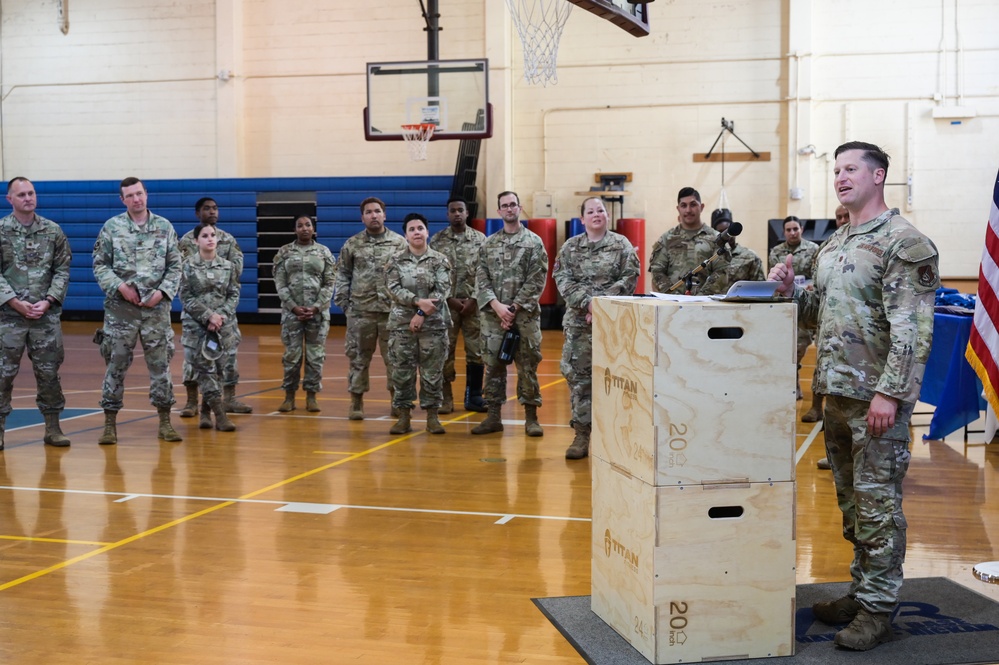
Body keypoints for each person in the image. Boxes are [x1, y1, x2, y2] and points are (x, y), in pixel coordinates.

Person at [768, 141, 939, 651]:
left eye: (850, 169)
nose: (840, 177)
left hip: (876, 401)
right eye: (836, 170)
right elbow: (820, 308)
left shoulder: (904, 243)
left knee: (878, 503)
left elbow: (913, 330)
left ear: (879, 175)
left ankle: (880, 609)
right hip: (836, 393)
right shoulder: (837, 241)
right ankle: (863, 591)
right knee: (851, 502)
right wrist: (787, 290)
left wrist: (890, 393)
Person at [92, 177, 183, 444]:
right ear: (123, 200)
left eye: (139, 193)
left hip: (156, 312)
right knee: (116, 366)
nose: (136, 199)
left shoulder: (164, 227)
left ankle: (165, 422)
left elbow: (176, 266)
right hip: (121, 312)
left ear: (147, 194)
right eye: (130, 196)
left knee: (160, 366)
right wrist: (120, 287)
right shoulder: (112, 228)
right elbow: (99, 265)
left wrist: (162, 292)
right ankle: (110, 424)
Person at [553, 197, 640, 459]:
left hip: (614, 325)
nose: (596, 214)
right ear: (582, 219)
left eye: (600, 210)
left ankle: (616, 438)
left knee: (617, 379)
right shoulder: (570, 248)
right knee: (580, 381)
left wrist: (600, 305)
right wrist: (587, 304)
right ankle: (581, 434)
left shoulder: (621, 244)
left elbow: (630, 277)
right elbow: (562, 279)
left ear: (607, 215)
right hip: (580, 325)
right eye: (590, 211)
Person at [0, 177, 72, 450]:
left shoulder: (53, 231)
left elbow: (62, 270)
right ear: (10, 199)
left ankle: (53, 428)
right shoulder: (1, 230)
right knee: (3, 374)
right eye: (21, 194)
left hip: (45, 318)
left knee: (49, 373)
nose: (28, 198)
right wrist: (14, 302)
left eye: (31, 193)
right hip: (9, 319)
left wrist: (49, 300)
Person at [471, 191, 548, 437]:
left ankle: (531, 418)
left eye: (513, 204)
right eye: (504, 205)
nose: (509, 209)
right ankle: (493, 417)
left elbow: (537, 279)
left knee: (527, 366)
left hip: (524, 317)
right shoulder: (488, 244)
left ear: (520, 208)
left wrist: (513, 308)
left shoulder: (534, 242)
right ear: (499, 211)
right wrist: (497, 307)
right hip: (494, 318)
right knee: (493, 367)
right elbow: (480, 279)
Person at [334, 197, 408, 420]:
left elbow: (408, 275)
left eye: (377, 211)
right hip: (361, 313)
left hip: (392, 313)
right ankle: (356, 403)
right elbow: (343, 274)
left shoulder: (399, 243)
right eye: (369, 212)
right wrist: (345, 305)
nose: (373, 215)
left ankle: (397, 402)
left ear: (385, 215)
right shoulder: (352, 244)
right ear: (362, 217)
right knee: (358, 359)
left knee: (395, 359)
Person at [177, 197, 252, 417]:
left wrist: (220, 312)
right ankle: (192, 402)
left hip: (223, 312)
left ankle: (228, 399)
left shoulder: (227, 239)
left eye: (215, 208)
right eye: (207, 209)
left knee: (228, 357)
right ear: (197, 213)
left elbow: (236, 270)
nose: (212, 212)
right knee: (193, 359)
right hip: (196, 312)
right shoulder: (186, 242)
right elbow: (183, 274)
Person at [386, 213, 453, 435]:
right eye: (412, 229)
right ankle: (404, 417)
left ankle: (432, 417)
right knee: (402, 372)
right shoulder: (395, 260)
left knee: (432, 372)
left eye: (420, 228)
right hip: (402, 326)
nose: (416, 232)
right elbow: (393, 288)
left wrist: (421, 314)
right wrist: (417, 302)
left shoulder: (440, 260)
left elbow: (442, 290)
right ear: (405, 235)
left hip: (433, 326)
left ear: (427, 232)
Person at [179, 222, 240, 432]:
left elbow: (233, 293)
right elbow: (185, 296)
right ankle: (220, 416)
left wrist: (220, 316)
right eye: (205, 235)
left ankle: (204, 411)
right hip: (197, 326)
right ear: (196, 241)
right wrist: (208, 316)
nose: (210, 238)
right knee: (205, 371)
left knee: (220, 370)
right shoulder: (187, 266)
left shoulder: (227, 266)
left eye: (212, 235)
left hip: (222, 327)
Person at [429, 196, 487, 414]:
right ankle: (446, 398)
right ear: (447, 214)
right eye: (452, 210)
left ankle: (473, 396)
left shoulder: (480, 239)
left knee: (477, 352)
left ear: (467, 213)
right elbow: (432, 274)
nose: (456, 214)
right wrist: (449, 298)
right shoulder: (436, 241)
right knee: (445, 351)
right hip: (447, 306)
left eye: (460, 210)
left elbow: (485, 273)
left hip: (474, 306)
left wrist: (473, 298)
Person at [273, 215, 336, 413]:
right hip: (292, 315)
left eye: (308, 225)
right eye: (300, 226)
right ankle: (289, 396)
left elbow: (329, 283)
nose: (304, 228)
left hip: (317, 315)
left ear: (313, 228)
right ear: (295, 230)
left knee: (315, 356)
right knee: (292, 356)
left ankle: (311, 396)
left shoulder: (324, 252)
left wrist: (316, 306)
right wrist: (292, 306)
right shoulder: (284, 252)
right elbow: (279, 282)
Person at [806, 204, 851, 429]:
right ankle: (822, 412)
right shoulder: (827, 247)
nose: (843, 220)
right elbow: (817, 297)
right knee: (823, 373)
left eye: (846, 215)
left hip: (861, 349)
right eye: (839, 217)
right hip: (828, 336)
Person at [768, 215, 820, 400]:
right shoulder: (776, 252)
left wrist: (810, 286)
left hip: (806, 303)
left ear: (801, 229)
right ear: (783, 232)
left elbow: (818, 276)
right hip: (785, 306)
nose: (792, 232)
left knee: (800, 347)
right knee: (786, 348)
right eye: (788, 230)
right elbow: (773, 278)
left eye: (795, 229)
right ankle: (792, 387)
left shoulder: (814, 249)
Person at [648, 187, 720, 294]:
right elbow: (657, 272)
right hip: (672, 304)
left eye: (693, 204)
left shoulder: (715, 238)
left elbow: (722, 271)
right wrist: (673, 295)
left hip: (705, 304)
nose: (688, 210)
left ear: (702, 207)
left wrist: (701, 297)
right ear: (678, 209)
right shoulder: (667, 239)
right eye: (683, 206)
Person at [699, 208, 765, 295]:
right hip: (709, 305)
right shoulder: (708, 257)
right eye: (721, 232)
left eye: (728, 230)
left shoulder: (750, 257)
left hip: (739, 306)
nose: (727, 235)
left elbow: (761, 289)